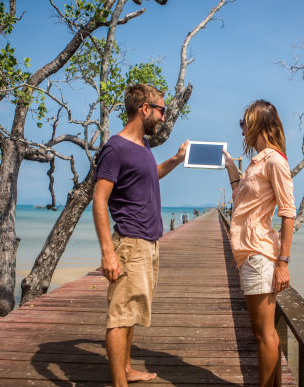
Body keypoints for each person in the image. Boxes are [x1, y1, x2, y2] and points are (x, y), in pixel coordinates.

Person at [92, 83, 188, 386]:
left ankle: (127, 370)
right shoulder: (116, 148)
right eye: (160, 109)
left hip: (148, 242)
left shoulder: (143, 147)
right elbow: (99, 199)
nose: (163, 116)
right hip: (130, 243)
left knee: (131, 313)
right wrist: (108, 252)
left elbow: (149, 174)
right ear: (144, 108)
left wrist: (174, 159)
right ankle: (118, 382)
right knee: (120, 316)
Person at [223, 100, 296, 387]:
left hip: (261, 254)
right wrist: (231, 170)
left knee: (264, 332)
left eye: (244, 123)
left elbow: (288, 212)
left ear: (258, 124)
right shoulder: (257, 162)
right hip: (248, 255)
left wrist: (283, 263)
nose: (241, 130)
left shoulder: (275, 161)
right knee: (260, 331)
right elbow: (242, 205)